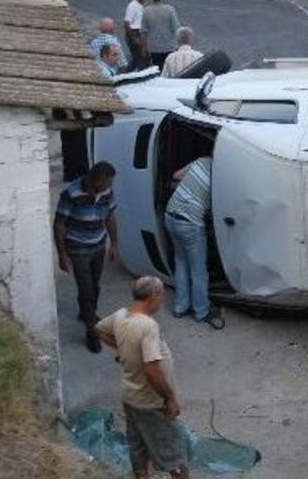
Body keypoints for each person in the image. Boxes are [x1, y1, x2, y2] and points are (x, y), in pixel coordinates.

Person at [96, 277, 189, 479]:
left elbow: (100, 329)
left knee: (138, 447)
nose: (162, 300)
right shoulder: (147, 326)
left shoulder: (121, 315)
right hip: (151, 402)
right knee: (175, 455)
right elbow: (151, 370)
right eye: (161, 295)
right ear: (153, 296)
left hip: (130, 397)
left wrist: (125, 349)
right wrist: (169, 398)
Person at [54, 161, 118, 353]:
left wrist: (114, 243)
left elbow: (109, 217)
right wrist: (62, 254)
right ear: (96, 179)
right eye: (107, 182)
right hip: (78, 248)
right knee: (87, 289)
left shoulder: (106, 193)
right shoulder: (71, 193)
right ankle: (92, 331)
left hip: (98, 245)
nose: (110, 186)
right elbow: (59, 224)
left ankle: (86, 313)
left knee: (94, 285)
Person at [163, 157, 223, 328]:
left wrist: (193, 183)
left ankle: (180, 307)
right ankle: (201, 311)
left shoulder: (201, 161)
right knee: (198, 271)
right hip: (190, 223)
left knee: (181, 262)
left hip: (170, 215)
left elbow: (176, 175)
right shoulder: (221, 175)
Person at [142, 0, 181, 69]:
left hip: (153, 48)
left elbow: (144, 32)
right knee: (169, 69)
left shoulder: (146, 11)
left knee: (157, 69)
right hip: (169, 47)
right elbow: (176, 29)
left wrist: (145, 48)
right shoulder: (170, 10)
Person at [124, 0, 150, 69]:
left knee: (142, 58)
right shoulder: (132, 6)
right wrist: (134, 38)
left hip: (141, 34)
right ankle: (127, 74)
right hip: (134, 33)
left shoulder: (143, 6)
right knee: (139, 58)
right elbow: (127, 23)